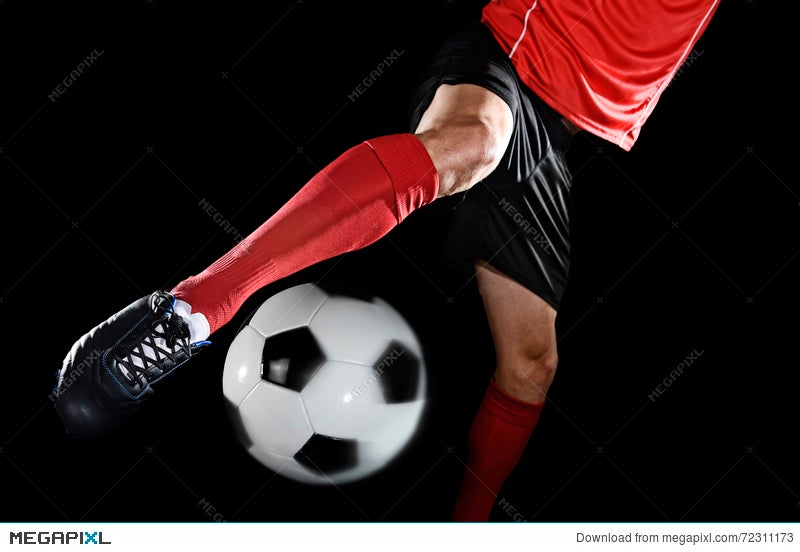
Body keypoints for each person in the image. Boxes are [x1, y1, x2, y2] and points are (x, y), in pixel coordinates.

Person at [52, 0, 721, 522]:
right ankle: (195, 309)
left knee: (530, 366)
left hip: (555, 140)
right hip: (511, 62)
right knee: (474, 143)